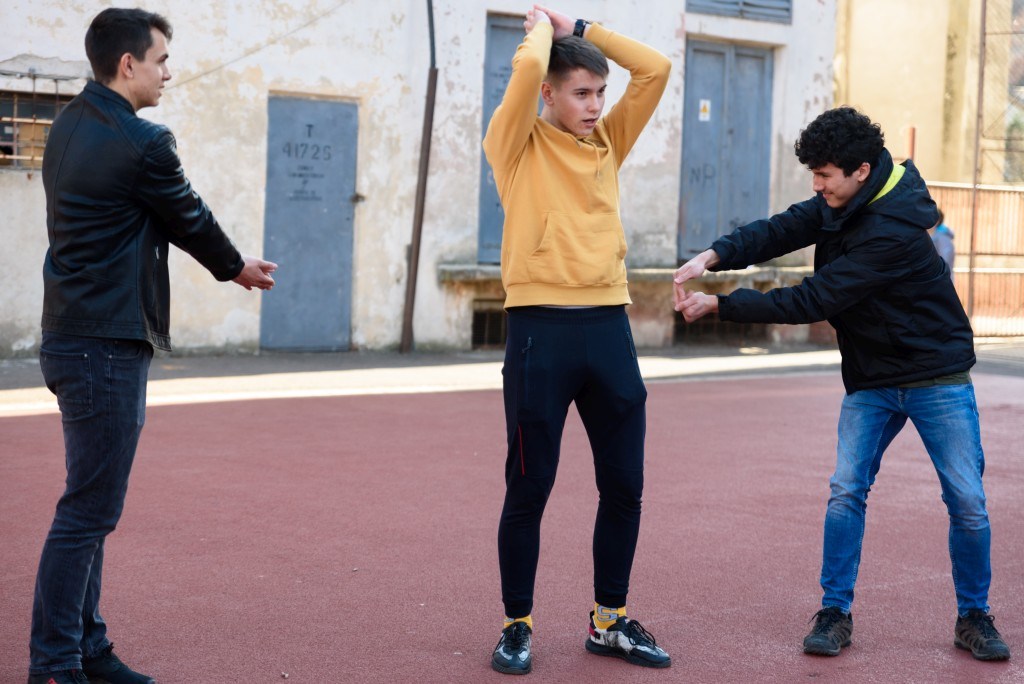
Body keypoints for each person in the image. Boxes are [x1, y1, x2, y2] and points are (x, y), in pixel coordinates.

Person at [673, 107, 1010, 662]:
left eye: (824, 175)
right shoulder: (844, 201)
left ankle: (974, 616)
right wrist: (716, 255)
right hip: (872, 376)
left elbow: (816, 299)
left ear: (860, 171)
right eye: (814, 174)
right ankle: (835, 612)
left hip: (935, 375)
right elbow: (784, 227)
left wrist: (721, 305)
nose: (817, 185)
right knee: (846, 491)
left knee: (967, 501)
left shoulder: (894, 230)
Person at [29, 9, 277, 684]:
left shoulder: (66, 126)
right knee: (87, 512)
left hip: (68, 337)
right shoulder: (143, 141)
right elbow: (188, 215)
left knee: (87, 505)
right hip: (105, 345)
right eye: (161, 59)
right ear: (127, 64)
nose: (168, 72)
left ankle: (87, 649)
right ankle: (54, 664)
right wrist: (237, 268)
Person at [482, 4, 671, 675]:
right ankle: (517, 625)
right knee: (529, 488)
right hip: (540, 333)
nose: (595, 106)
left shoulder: (607, 142)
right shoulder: (514, 144)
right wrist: (543, 27)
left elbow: (656, 68)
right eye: (582, 93)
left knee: (625, 485)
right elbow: (530, 66)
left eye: (600, 93)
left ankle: (609, 621)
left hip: (608, 329)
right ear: (548, 95)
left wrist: (584, 31)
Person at [931, 208, 956, 278]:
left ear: (937, 221)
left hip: (940, 280)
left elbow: (945, 263)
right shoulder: (932, 236)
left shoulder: (943, 239)